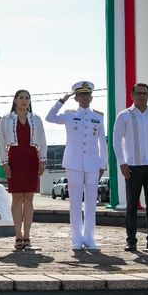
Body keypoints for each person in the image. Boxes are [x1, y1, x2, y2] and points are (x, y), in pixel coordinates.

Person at [46, 81, 107, 250]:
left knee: (91, 202)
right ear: (76, 98)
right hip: (73, 162)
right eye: (81, 95)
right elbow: (49, 117)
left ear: (92, 97)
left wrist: (103, 163)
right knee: (74, 201)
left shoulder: (98, 116)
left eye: (87, 95)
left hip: (93, 163)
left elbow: (103, 141)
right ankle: (76, 238)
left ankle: (89, 237)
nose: (85, 98)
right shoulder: (69, 114)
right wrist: (62, 99)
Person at [112, 83, 148, 253]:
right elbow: (116, 140)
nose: (142, 96)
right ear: (132, 95)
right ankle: (131, 241)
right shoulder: (124, 115)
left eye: (145, 93)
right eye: (139, 93)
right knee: (131, 206)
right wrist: (122, 162)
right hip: (132, 167)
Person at [0, 89, 47, 250]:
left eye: (27, 98)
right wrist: (4, 162)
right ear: (15, 100)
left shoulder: (36, 119)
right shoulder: (6, 119)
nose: (24, 101)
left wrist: (43, 160)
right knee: (17, 197)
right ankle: (18, 236)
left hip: (32, 158)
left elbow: (43, 141)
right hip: (14, 159)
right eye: (21, 98)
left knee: (29, 198)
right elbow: (1, 142)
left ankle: (27, 236)